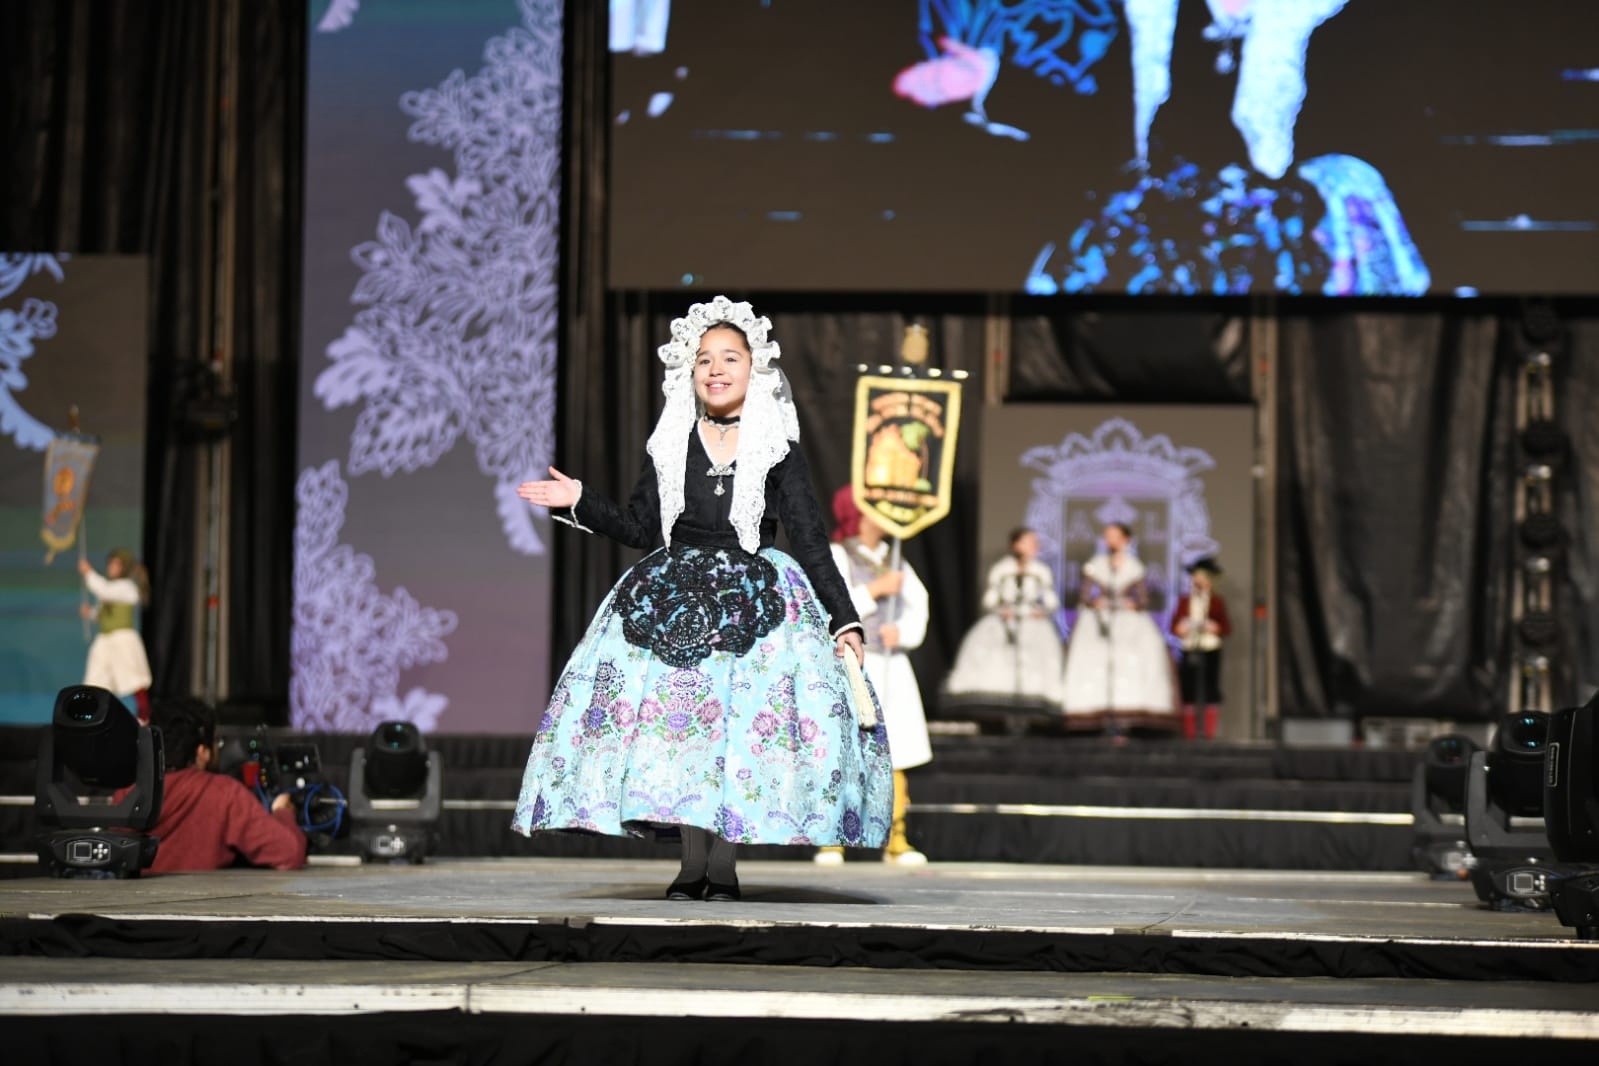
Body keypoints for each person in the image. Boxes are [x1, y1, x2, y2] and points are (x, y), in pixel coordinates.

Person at [512, 296, 893, 902]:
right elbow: (641, 526)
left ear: (753, 369)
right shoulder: (671, 443)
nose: (715, 369)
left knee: (734, 737)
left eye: (730, 358)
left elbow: (811, 538)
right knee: (681, 736)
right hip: (672, 602)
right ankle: (693, 866)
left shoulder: (778, 447)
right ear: (689, 373)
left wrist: (843, 617)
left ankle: (725, 865)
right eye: (703, 360)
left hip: (756, 603)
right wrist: (581, 500)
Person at [815, 487, 931, 866]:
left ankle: (895, 838)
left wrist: (904, 631)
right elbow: (829, 602)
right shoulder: (839, 554)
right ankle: (834, 838)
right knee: (846, 747)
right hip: (853, 663)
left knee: (896, 750)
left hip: (892, 664)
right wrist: (873, 592)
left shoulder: (894, 560)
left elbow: (919, 605)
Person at [136, 698, 307, 873]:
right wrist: (284, 812)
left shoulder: (128, 792)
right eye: (217, 743)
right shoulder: (223, 793)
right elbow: (289, 853)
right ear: (202, 752)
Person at [1060, 523, 1176, 731]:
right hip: (1099, 620)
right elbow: (1085, 594)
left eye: (1114, 536)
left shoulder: (1134, 566)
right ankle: (1096, 714)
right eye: (1107, 536)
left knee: (1129, 659)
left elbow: (1142, 598)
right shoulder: (1096, 564)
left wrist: (1131, 603)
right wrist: (1095, 602)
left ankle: (1126, 716)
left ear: (1126, 540)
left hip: (1127, 620)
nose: (1110, 541)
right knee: (1095, 658)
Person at [942, 527, 1065, 710]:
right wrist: (1001, 609)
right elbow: (990, 598)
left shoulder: (1041, 570)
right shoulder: (1002, 569)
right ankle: (998, 705)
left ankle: (1031, 706)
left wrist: (1042, 610)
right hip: (1005, 620)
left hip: (1031, 620)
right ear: (1016, 544)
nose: (1034, 545)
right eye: (1028, 541)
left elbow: (1050, 599)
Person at [78, 548, 152, 720]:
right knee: (95, 681)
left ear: (123, 568)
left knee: (134, 680)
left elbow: (105, 590)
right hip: (105, 640)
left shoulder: (126, 587)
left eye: (115, 564)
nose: (111, 567)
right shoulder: (113, 589)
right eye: (110, 563)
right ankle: (94, 719)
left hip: (122, 640)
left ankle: (144, 718)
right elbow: (103, 611)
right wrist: (91, 613)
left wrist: (88, 572)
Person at [1172, 556, 1232, 740]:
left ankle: (1208, 733)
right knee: (1188, 690)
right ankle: (1189, 733)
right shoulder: (1185, 601)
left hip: (1210, 648)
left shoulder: (1216, 601)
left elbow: (1226, 627)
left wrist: (1215, 627)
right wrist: (1181, 628)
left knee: (1210, 690)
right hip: (1190, 647)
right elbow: (1174, 626)